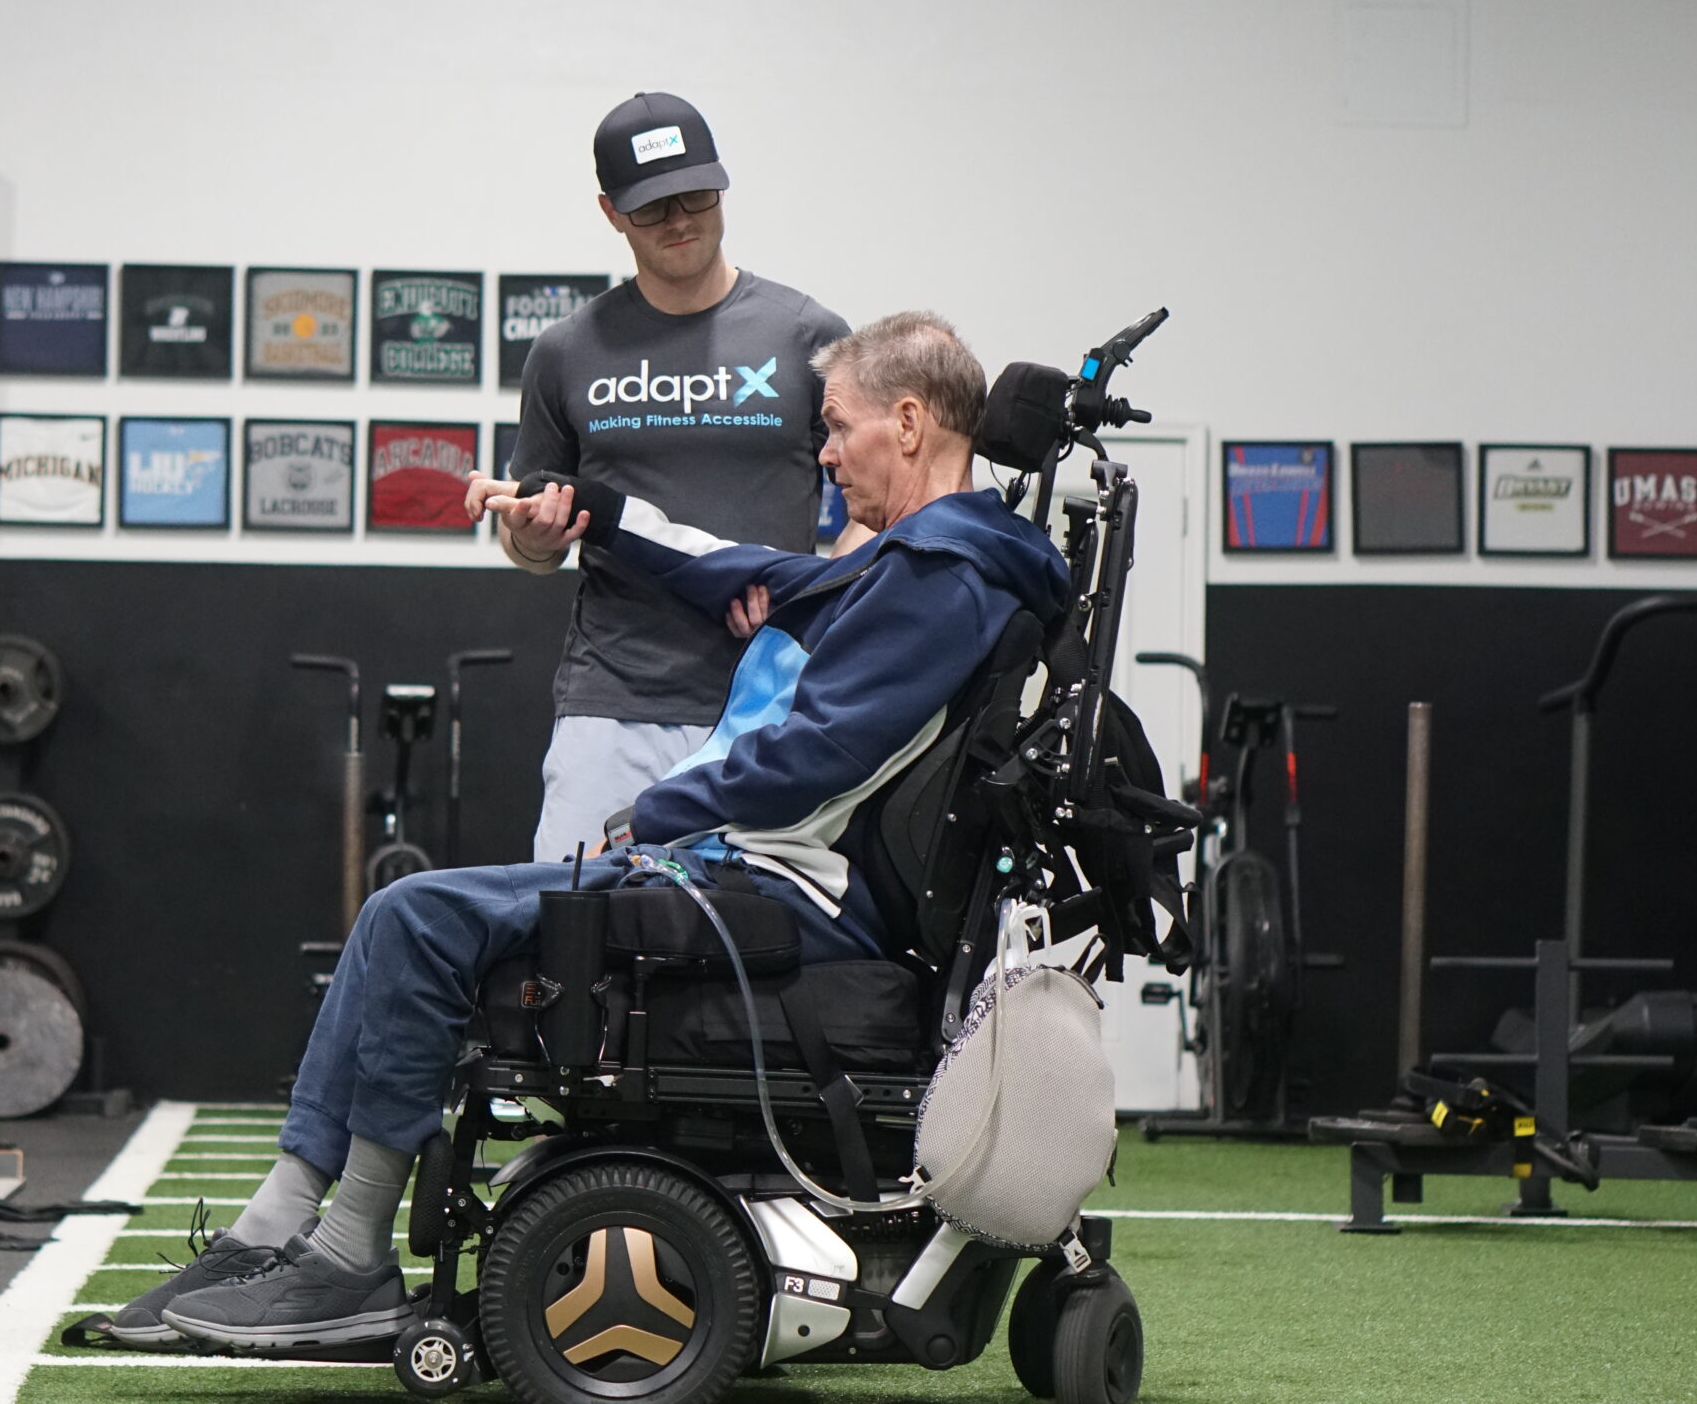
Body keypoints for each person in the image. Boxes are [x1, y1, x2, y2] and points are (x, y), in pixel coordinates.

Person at [120, 313, 1066, 1352]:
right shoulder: (929, 561)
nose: (826, 453)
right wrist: (591, 512)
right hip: (766, 873)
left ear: (910, 420)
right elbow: (735, 565)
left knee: (411, 918)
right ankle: (278, 1233)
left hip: (788, 892)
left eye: (838, 429)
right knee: (410, 915)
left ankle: (346, 1254)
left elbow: (821, 754)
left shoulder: (938, 575)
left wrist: (654, 812)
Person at [465, 91, 850, 864]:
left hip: (770, 699)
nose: (680, 220)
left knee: (763, 947)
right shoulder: (567, 352)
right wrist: (532, 539)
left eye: (697, 196)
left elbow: (875, 510)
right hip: (613, 704)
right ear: (610, 212)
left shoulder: (807, 335)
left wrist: (813, 598)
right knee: (567, 943)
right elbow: (533, 549)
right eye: (652, 209)